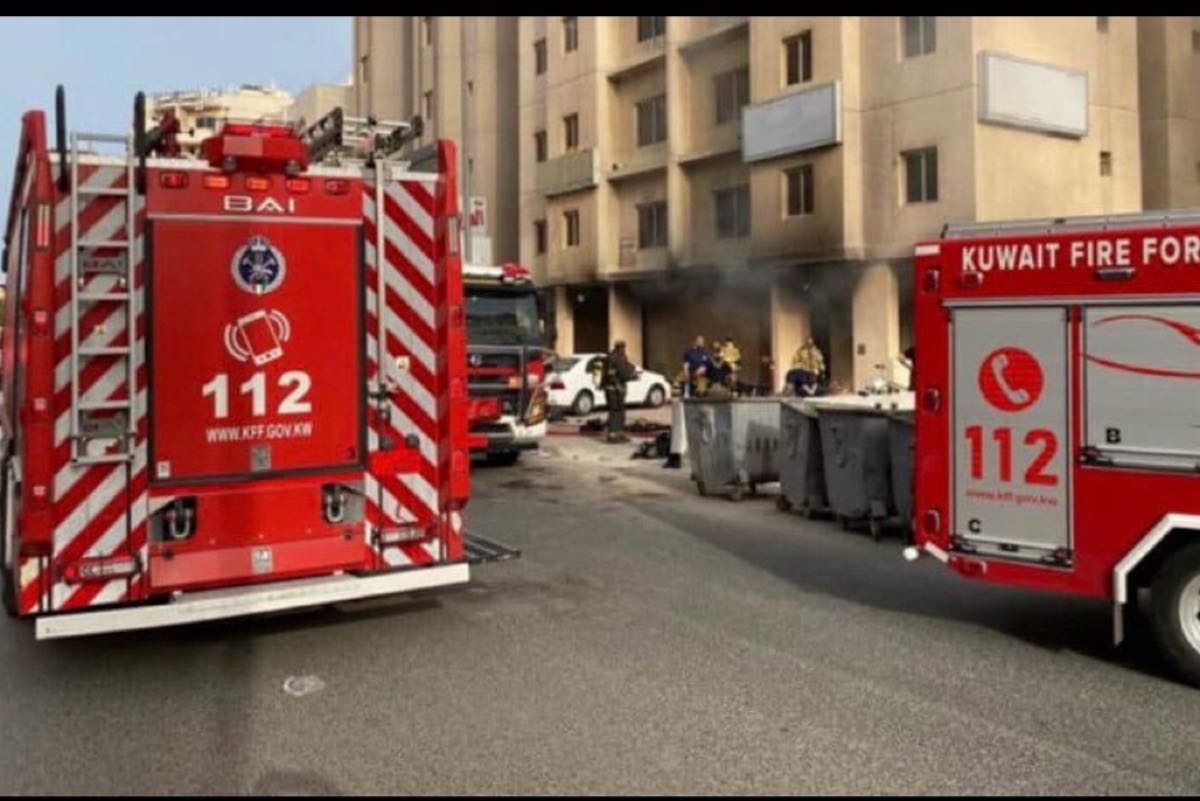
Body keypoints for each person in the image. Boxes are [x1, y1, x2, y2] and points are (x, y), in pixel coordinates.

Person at [602, 340, 638, 443]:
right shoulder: (619, 357)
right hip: (617, 390)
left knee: (613, 411)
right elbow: (624, 374)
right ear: (622, 348)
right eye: (624, 348)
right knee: (619, 412)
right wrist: (632, 374)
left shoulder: (608, 357)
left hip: (608, 389)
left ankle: (612, 434)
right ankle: (616, 435)